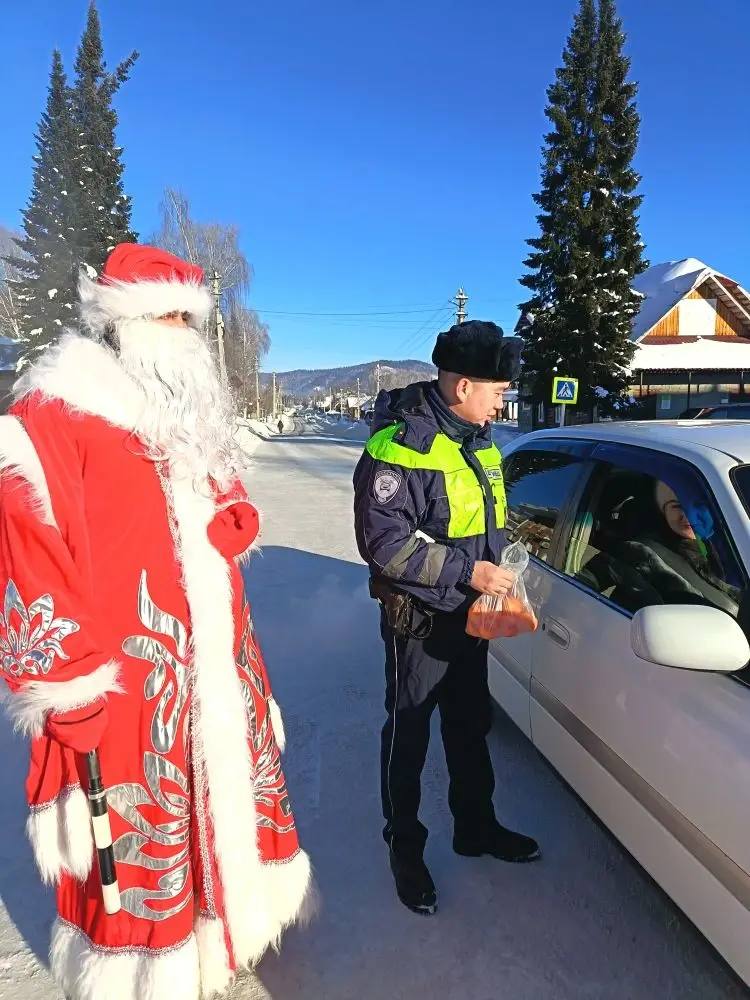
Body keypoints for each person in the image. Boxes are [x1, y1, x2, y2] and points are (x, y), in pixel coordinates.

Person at [0, 244, 313, 1000]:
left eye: (189, 318)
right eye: (169, 316)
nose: (184, 332)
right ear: (125, 321)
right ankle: (145, 973)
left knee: (219, 799)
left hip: (214, 655)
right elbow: (25, 551)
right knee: (145, 829)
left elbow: (216, 483)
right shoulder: (52, 414)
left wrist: (233, 512)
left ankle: (220, 941)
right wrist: (63, 679)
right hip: (124, 672)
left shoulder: (181, 408)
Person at [353, 320, 540, 917]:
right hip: (421, 622)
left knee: (470, 726)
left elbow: (480, 518)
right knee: (408, 733)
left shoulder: (479, 437)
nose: (502, 399)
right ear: (462, 385)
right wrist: (469, 572)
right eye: (497, 388)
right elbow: (385, 544)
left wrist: (507, 552)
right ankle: (404, 847)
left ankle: (476, 828)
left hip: (473, 615)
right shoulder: (399, 445)